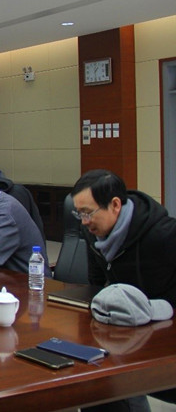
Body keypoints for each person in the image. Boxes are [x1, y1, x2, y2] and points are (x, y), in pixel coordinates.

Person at [73, 172, 176, 412]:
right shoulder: (93, 234)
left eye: (88, 213)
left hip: (164, 328)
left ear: (115, 205)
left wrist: (159, 309)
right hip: (126, 327)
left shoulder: (163, 235)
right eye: (79, 214)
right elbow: (96, 282)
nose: (84, 222)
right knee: (94, 378)